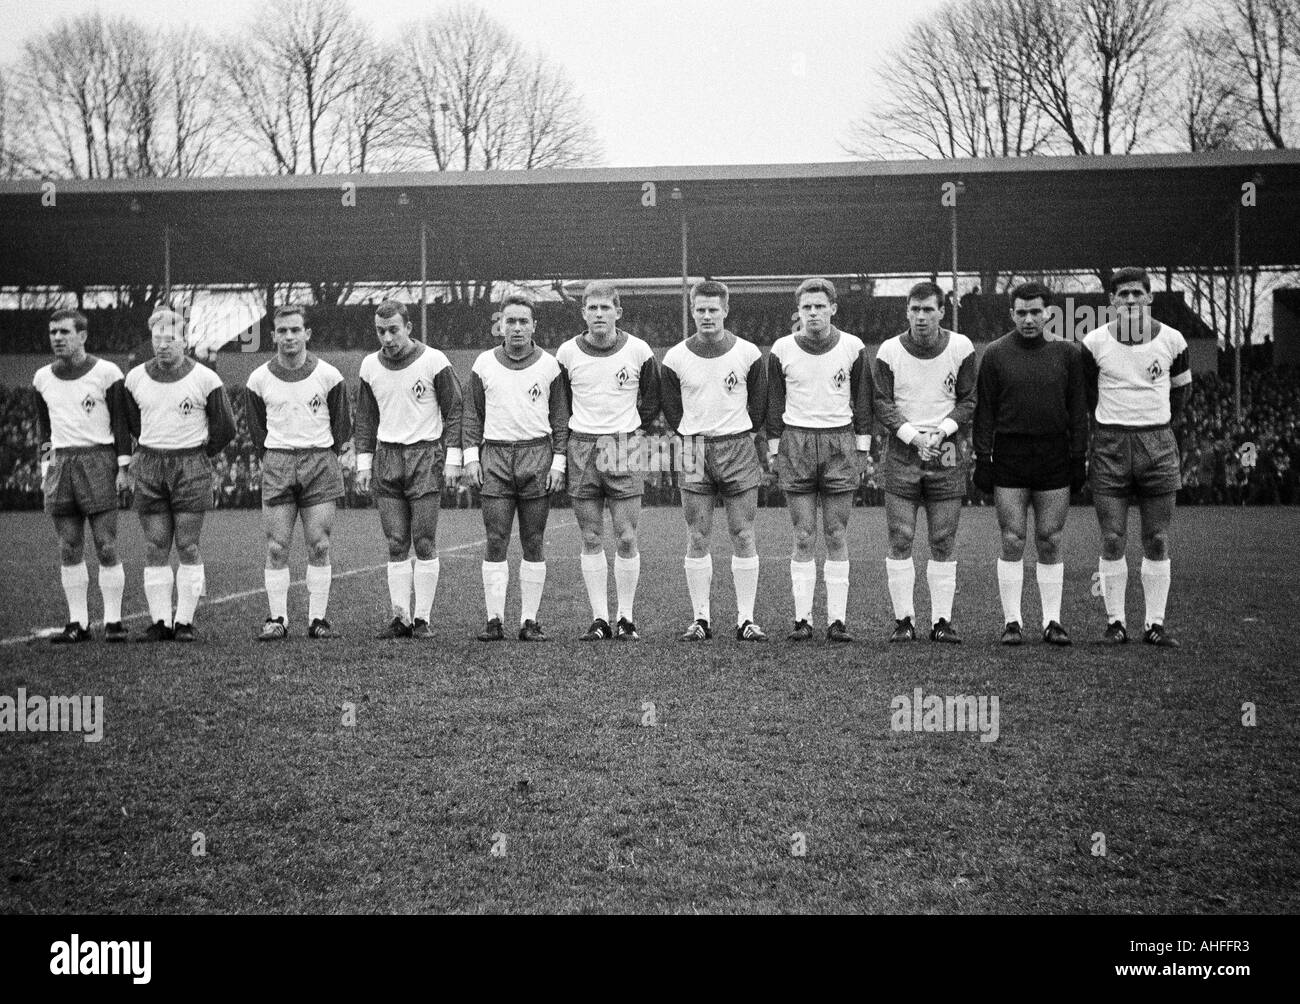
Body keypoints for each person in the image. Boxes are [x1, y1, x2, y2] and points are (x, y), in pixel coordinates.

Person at [972, 282, 1088, 646]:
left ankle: (1052, 621)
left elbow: (1078, 410)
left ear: (1048, 313)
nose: (1028, 319)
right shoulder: (994, 354)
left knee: (1050, 539)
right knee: (1012, 538)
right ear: (1011, 314)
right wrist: (982, 458)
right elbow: (985, 411)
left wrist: (1078, 457)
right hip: (1010, 454)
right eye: (1021, 312)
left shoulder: (1068, 353)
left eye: (1035, 311)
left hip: (1054, 453)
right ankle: (1012, 622)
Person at [1082, 267, 1190, 647]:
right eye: (1122, 294)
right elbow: (1088, 396)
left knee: (1156, 537)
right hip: (1111, 445)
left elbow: (1181, 393)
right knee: (1112, 537)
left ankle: (1154, 624)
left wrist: (1157, 427)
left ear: (1149, 298)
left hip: (1156, 444)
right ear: (1111, 300)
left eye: (1136, 293)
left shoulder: (1173, 341)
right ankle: (1116, 623)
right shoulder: (1094, 343)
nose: (1129, 300)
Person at [766, 278, 873, 643]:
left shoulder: (853, 347)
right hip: (796, 441)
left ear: (833, 309)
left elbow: (863, 401)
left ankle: (837, 621)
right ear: (798, 311)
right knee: (803, 533)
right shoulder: (781, 349)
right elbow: (775, 404)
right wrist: (774, 448)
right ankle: (802, 620)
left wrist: (861, 449)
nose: (812, 312)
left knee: (836, 532)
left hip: (839, 441)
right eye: (806, 307)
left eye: (819, 306)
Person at [661, 280, 769, 642]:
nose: (706, 316)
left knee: (742, 532)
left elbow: (759, 404)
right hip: (693, 448)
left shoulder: (749, 353)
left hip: (737, 446)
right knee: (697, 534)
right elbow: (671, 410)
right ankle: (701, 619)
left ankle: (746, 619)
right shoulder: (675, 357)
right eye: (700, 309)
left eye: (713, 309)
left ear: (725, 310)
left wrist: (742, 434)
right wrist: (691, 434)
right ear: (692, 311)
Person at [123, 308, 237, 642]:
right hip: (150, 465)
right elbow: (132, 421)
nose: (162, 345)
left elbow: (226, 427)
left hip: (190, 466)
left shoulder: (205, 378)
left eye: (170, 338)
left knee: (187, 545)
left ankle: (184, 621)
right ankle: (160, 622)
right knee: (155, 546)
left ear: (183, 340)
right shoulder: (135, 378)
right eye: (157, 338)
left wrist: (200, 453)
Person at [555, 281, 660, 641]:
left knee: (627, 537)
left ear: (618, 312)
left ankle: (626, 618)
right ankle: (599, 618)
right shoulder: (567, 352)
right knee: (591, 536)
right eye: (592, 308)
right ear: (583, 312)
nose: (599, 314)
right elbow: (562, 401)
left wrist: (631, 431)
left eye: (605, 308)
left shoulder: (639, 350)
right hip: (582, 447)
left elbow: (651, 399)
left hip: (624, 447)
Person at [873, 281, 977, 643]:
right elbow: (882, 403)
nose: (921, 316)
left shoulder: (961, 347)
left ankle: (941, 621)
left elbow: (968, 400)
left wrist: (941, 432)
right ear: (906, 311)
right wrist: (914, 437)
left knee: (943, 538)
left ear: (942, 312)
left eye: (928, 309)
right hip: (904, 449)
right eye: (914, 309)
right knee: (901, 536)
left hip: (945, 450)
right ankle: (904, 620)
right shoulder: (888, 351)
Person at [462, 294, 568, 642]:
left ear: (534, 326)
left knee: (533, 540)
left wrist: (558, 463)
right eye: (511, 321)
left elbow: (560, 419)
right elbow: (473, 414)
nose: (517, 328)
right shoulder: (483, 364)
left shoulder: (550, 366)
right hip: (495, 457)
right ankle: (494, 620)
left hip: (536, 456)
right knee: (495, 539)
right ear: (500, 326)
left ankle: (529, 621)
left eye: (524, 321)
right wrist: (471, 457)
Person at [354, 300, 463, 639]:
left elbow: (455, 410)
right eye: (380, 331)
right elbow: (366, 419)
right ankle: (400, 618)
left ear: (409, 328)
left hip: (424, 456)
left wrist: (453, 459)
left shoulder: (434, 361)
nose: (387, 338)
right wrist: (363, 464)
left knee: (424, 540)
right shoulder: (369, 366)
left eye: (393, 330)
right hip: (387, 457)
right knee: (396, 541)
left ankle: (422, 619)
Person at [245, 305, 352, 641]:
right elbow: (256, 429)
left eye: (295, 330)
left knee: (319, 545)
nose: (288, 337)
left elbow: (341, 425)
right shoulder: (258, 379)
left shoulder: (329, 376)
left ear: (307, 334)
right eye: (282, 331)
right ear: (273, 334)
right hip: (278, 461)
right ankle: (277, 618)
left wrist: (320, 454)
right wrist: (277, 456)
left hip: (319, 461)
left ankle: (318, 619)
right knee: (277, 547)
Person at [33, 309, 132, 643]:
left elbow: (120, 423)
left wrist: (122, 468)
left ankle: (115, 621)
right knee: (69, 546)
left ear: (83, 336)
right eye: (52, 332)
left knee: (105, 545)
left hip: (98, 459)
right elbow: (43, 430)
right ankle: (78, 623)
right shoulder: (42, 378)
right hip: (61, 462)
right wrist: (46, 468)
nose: (57, 338)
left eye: (64, 332)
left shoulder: (107, 373)